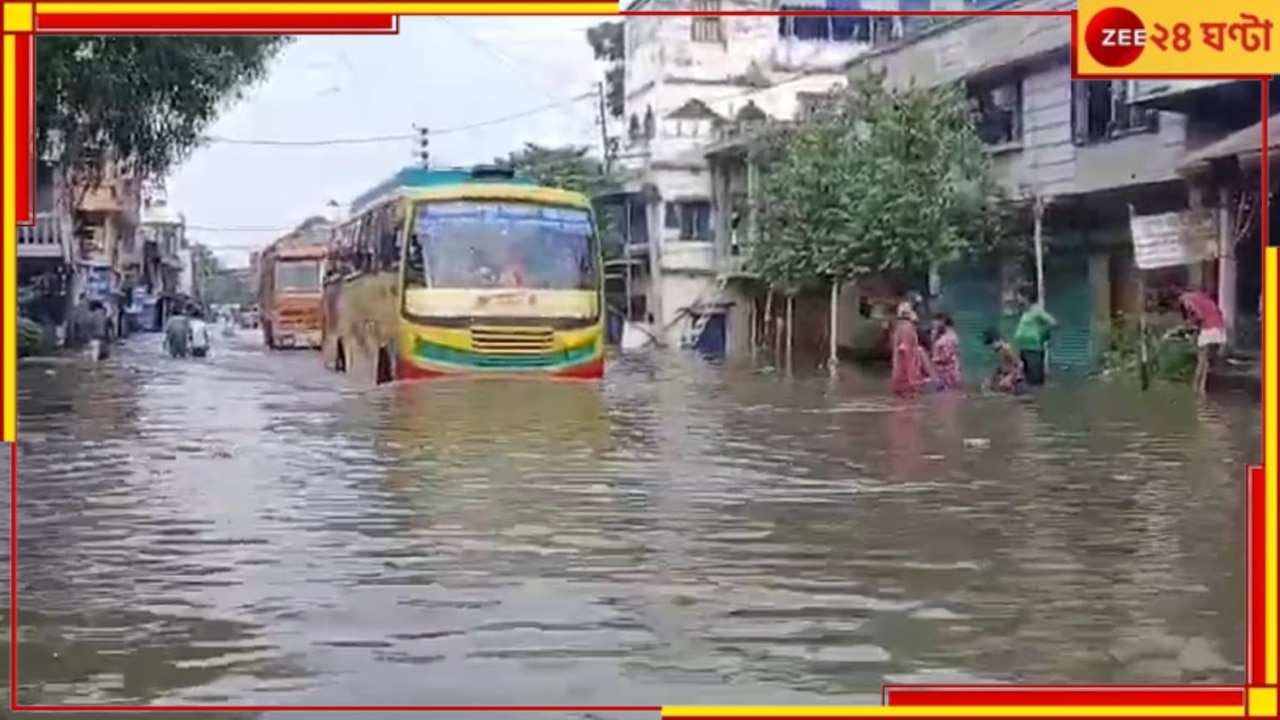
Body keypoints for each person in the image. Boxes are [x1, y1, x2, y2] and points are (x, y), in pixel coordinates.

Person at [1179, 288, 1226, 396]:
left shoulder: (1187, 299)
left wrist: (1191, 323)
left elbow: (1198, 315)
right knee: (1206, 361)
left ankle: (1195, 387)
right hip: (1220, 331)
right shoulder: (1207, 300)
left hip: (1209, 331)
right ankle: (1202, 388)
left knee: (1201, 360)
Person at [1012, 288, 1056, 387]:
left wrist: (1042, 334)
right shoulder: (1025, 312)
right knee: (1027, 381)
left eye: (1019, 296)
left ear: (1026, 297)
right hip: (1024, 349)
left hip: (1034, 350)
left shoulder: (1036, 310)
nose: (1017, 299)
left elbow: (1052, 322)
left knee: (1034, 381)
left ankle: (1038, 400)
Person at [890, 301, 923, 396]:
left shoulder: (902, 327)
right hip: (906, 373)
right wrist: (910, 378)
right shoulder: (906, 328)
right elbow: (905, 351)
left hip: (902, 371)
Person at [982, 327, 1025, 394]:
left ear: (997, 340)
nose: (991, 347)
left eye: (992, 343)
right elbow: (1000, 368)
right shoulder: (1001, 351)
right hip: (1006, 375)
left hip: (1014, 379)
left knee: (1004, 385)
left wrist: (1011, 377)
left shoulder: (1006, 349)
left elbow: (1020, 364)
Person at [930, 312, 964, 391]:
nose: (933, 327)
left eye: (935, 325)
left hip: (949, 373)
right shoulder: (943, 336)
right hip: (946, 373)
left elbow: (945, 356)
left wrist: (933, 360)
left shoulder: (948, 337)